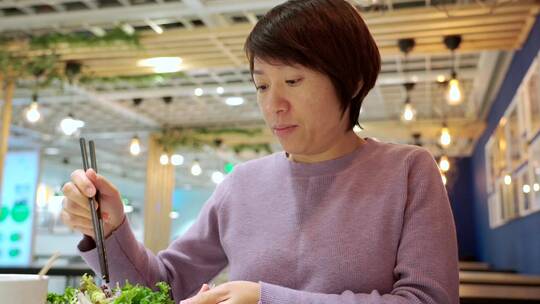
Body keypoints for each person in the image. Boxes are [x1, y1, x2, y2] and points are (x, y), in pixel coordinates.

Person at [61, 0, 459, 303]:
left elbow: (429, 299)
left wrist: (267, 298)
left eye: (293, 80)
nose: (274, 105)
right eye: (262, 85)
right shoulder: (242, 183)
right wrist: (110, 230)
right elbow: (163, 287)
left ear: (352, 81)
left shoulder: (407, 171)